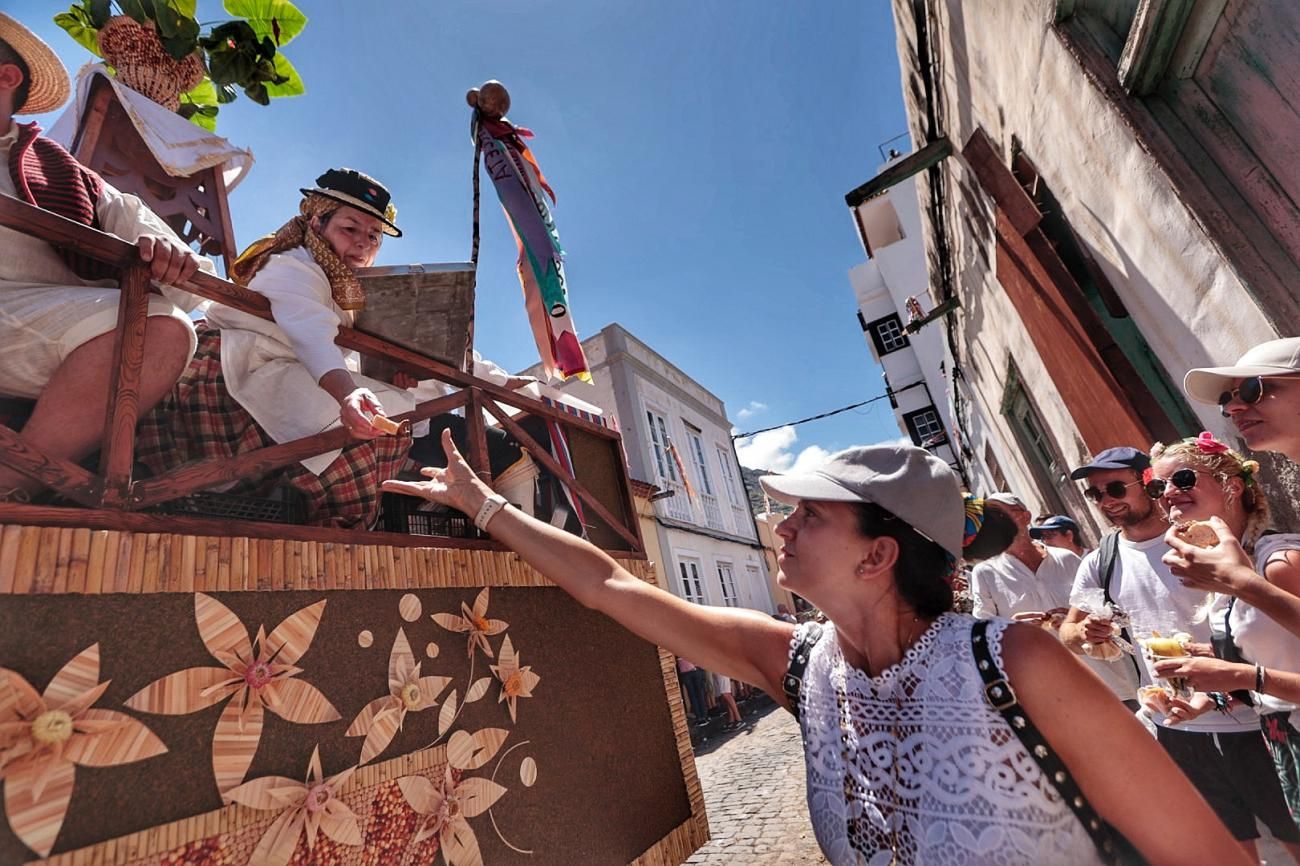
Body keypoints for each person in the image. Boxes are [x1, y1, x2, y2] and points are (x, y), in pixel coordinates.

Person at [384, 430, 1249, 866]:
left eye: (810, 515)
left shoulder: (1013, 662)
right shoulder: (801, 664)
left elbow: (1202, 858)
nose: (780, 526)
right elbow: (614, 589)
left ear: (879, 556)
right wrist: (486, 508)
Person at [135, 169, 414, 528]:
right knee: (349, 436)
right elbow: (311, 332)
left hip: (282, 372)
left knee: (394, 413)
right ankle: (334, 540)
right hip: (227, 375)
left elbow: (328, 348)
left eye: (374, 235)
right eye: (351, 228)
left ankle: (314, 532)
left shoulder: (347, 288)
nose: (363, 242)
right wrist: (347, 393)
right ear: (317, 223)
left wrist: (386, 377)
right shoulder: (292, 264)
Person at [0, 14, 205, 501]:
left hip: (39, 328)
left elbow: (176, 263)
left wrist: (170, 251)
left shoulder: (59, 167)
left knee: (164, 325)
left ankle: (11, 484)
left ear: (6, 77)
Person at [1060, 446, 1292, 861]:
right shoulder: (1102, 561)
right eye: (1096, 495)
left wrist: (1225, 686)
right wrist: (1087, 632)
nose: (1107, 501)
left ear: (1144, 484)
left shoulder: (1211, 546)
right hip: (1177, 727)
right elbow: (1069, 633)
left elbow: (1253, 637)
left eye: (1115, 487)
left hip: (1256, 721)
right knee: (1225, 851)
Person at [1141, 434, 1300, 853]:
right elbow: (1280, 656)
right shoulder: (1226, 571)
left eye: (1184, 479)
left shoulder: (1279, 563)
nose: (1168, 494)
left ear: (1232, 485)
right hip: (1283, 737)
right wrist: (1208, 694)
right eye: (1158, 487)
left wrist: (1236, 674)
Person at [972, 493, 1137, 705]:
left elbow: (1107, 607)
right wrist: (1012, 627)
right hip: (1052, 693)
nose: (995, 525)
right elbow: (981, 633)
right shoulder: (985, 573)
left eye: (1001, 516)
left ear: (1025, 516)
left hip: (1106, 679)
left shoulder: (1066, 558)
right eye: (989, 520)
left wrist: (1074, 619)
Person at [676, 657, 710, 726]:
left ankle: (699, 718)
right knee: (699, 694)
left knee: (692, 696)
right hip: (693, 669)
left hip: (684, 672)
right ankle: (704, 716)